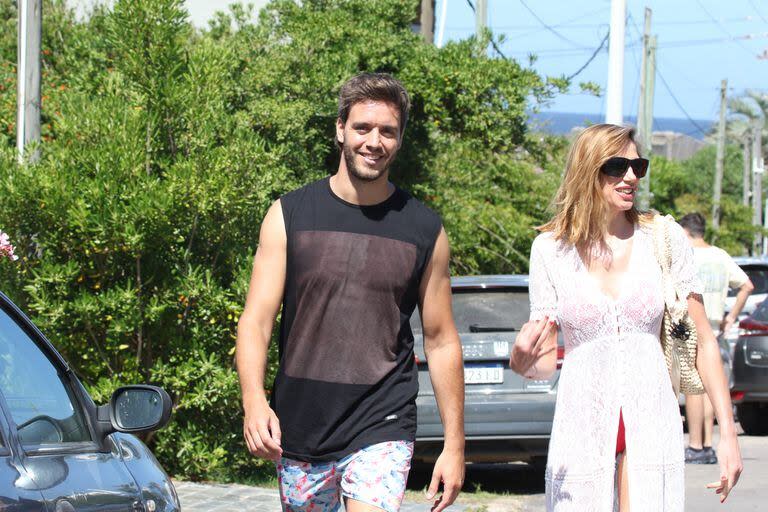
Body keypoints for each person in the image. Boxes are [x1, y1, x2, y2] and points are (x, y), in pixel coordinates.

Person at [235, 73, 465, 512]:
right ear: (340, 129)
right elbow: (257, 320)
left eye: (388, 131)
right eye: (363, 128)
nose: (374, 141)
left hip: (384, 419)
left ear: (399, 140)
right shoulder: (288, 215)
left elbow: (441, 339)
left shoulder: (425, 230)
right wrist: (253, 400)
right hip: (302, 424)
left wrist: (454, 444)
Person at [508, 124, 743, 511]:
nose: (631, 176)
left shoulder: (663, 238)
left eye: (638, 166)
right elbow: (543, 363)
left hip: (651, 414)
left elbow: (703, 340)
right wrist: (521, 359)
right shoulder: (550, 249)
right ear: (588, 170)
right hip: (582, 419)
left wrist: (727, 436)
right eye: (617, 166)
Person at [678, 212, 754, 465]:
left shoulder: (684, 255)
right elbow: (747, 285)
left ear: (686, 233)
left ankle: (696, 445)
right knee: (712, 386)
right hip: (714, 327)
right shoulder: (720, 256)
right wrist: (731, 316)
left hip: (688, 326)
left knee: (693, 388)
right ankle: (709, 442)